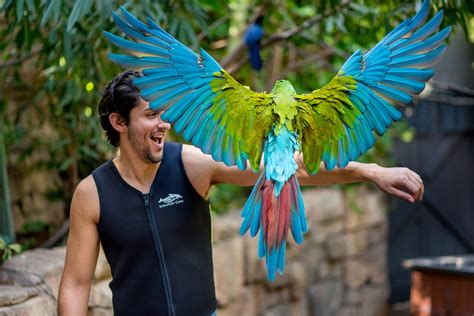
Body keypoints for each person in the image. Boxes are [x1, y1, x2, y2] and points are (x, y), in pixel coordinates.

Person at [57, 70, 423, 315]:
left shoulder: (191, 165)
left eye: (165, 113)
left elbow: (288, 168)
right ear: (119, 123)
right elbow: (75, 284)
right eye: (151, 115)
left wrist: (371, 171)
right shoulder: (92, 193)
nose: (164, 123)